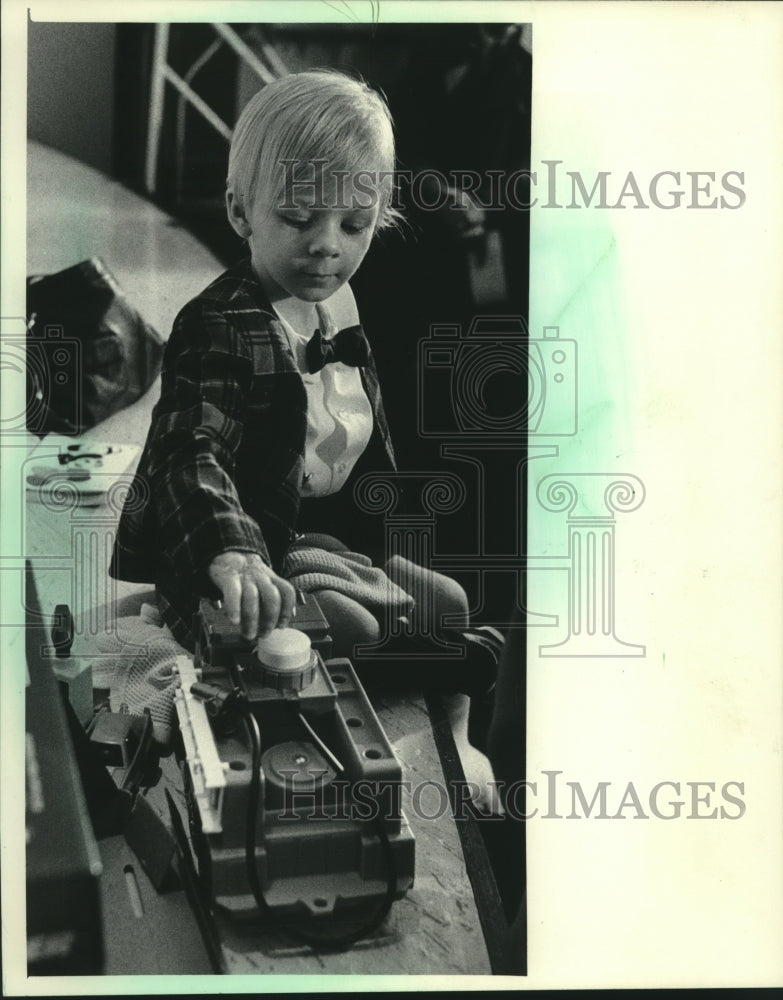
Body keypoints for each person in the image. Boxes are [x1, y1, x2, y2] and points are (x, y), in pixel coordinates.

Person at [109, 70, 474, 663]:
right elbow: (191, 449)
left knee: (448, 603)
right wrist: (232, 551)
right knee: (351, 627)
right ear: (240, 211)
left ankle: (452, 740)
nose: (327, 245)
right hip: (238, 565)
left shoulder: (340, 305)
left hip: (322, 541)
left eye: (354, 226)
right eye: (300, 219)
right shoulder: (218, 322)